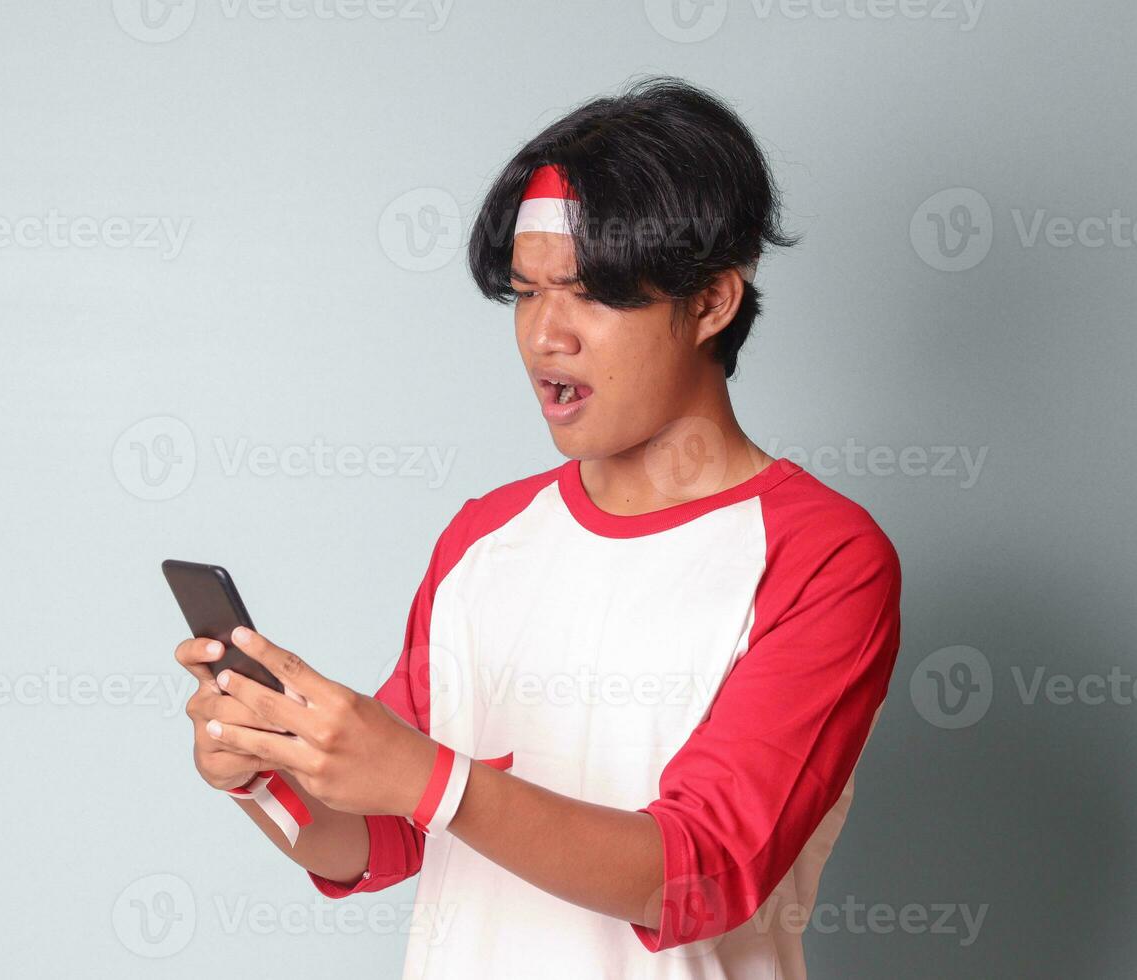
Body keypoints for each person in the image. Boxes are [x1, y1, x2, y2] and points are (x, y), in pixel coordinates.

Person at [176, 76, 902, 979]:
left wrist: (423, 777)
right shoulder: (485, 536)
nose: (542, 336)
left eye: (589, 292)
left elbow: (706, 873)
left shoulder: (823, 556)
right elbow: (382, 845)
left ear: (712, 302)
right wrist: (260, 772)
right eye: (524, 293)